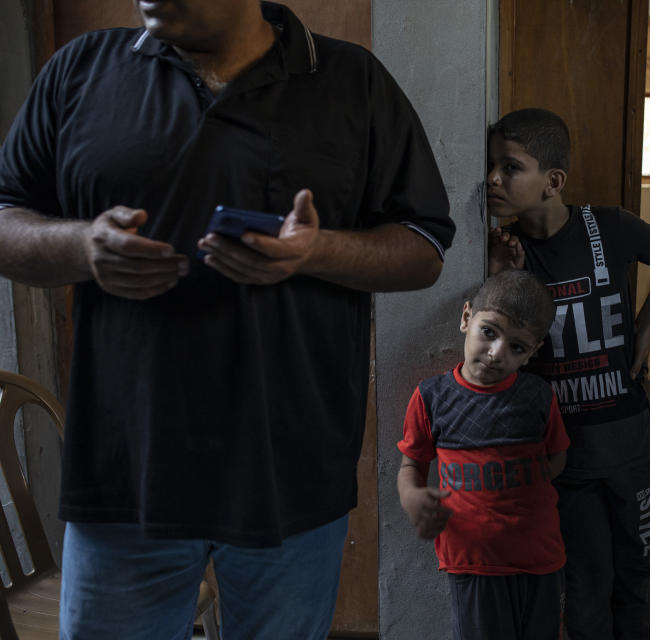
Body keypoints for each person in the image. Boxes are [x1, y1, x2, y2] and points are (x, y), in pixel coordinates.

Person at [0, 1, 455, 637]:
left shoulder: (352, 79)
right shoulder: (82, 68)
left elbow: (423, 246)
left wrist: (316, 252)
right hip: (125, 474)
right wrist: (81, 246)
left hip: (290, 475)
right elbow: (6, 215)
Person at [487, 108, 650, 639]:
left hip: (628, 442)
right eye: (491, 166)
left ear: (552, 181)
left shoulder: (610, 226)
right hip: (566, 456)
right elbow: (495, 347)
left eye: (510, 167)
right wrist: (499, 275)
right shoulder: (505, 250)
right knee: (583, 587)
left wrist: (646, 331)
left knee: (637, 576)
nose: (493, 179)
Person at [396, 269, 569, 640]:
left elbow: (557, 458)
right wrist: (411, 496)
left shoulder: (538, 396)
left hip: (540, 558)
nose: (495, 354)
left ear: (533, 352)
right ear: (466, 318)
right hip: (473, 561)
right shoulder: (431, 397)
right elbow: (412, 463)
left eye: (516, 348)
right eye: (488, 332)